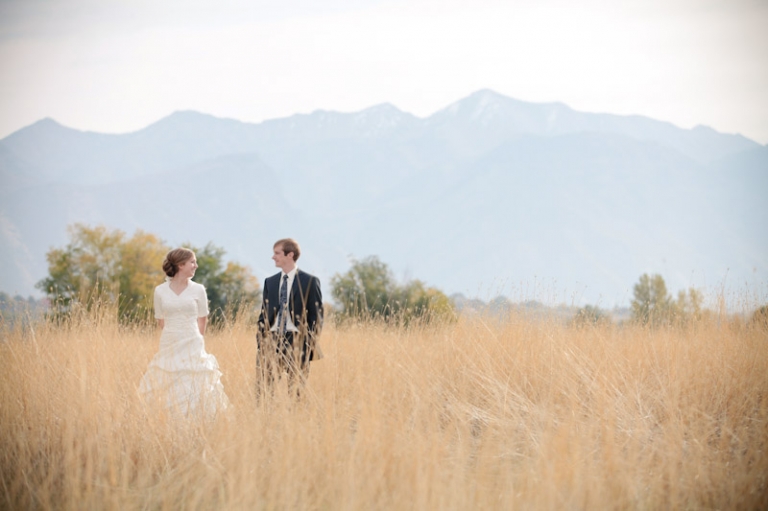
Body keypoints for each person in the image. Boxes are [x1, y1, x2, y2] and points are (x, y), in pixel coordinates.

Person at [139, 248, 230, 418]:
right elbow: (160, 319)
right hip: (169, 341)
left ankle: (197, 419)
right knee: (168, 377)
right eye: (192, 262)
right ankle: (168, 418)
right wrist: (174, 332)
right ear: (181, 265)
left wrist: (198, 339)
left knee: (193, 379)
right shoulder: (160, 290)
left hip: (193, 341)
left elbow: (203, 318)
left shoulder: (198, 289)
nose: (196, 265)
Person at [256, 238, 323, 394]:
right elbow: (263, 315)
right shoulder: (270, 282)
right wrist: (261, 340)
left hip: (297, 343)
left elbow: (317, 318)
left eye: (277, 253)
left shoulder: (310, 282)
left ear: (290, 255)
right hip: (270, 341)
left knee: (296, 392)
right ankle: (265, 419)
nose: (273, 257)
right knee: (264, 393)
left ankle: (296, 419)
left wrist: (307, 344)